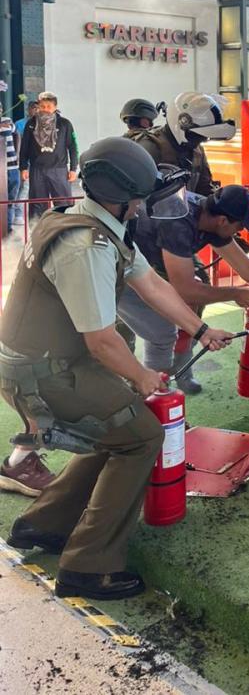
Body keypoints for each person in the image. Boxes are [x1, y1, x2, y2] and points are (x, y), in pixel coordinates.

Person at [0, 137, 232, 598]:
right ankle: (88, 566)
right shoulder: (85, 247)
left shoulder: (91, 222)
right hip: (42, 374)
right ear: (122, 196)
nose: (146, 205)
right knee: (142, 435)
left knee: (116, 427)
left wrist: (199, 329)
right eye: (142, 197)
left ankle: (43, 527)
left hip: (47, 363)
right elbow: (103, 342)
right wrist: (143, 377)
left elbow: (152, 287)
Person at [118, 183, 249, 393]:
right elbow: (185, 288)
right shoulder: (178, 223)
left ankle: (177, 376)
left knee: (187, 314)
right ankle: (154, 400)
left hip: (148, 264)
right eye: (240, 226)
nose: (239, 232)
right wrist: (235, 293)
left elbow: (246, 267)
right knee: (161, 332)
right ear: (223, 221)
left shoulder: (209, 217)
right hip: (120, 266)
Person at [131, 91, 234, 195]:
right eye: (198, 135)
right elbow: (136, 199)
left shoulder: (197, 151)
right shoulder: (150, 147)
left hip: (184, 210)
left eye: (204, 136)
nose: (201, 139)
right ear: (182, 124)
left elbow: (204, 188)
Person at [19, 92, 79, 218]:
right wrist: (23, 167)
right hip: (37, 170)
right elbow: (24, 148)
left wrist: (74, 168)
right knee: (37, 206)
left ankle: (64, 232)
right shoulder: (31, 124)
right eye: (42, 106)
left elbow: (73, 147)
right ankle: (37, 233)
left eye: (49, 106)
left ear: (55, 107)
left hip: (59, 170)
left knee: (64, 204)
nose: (45, 109)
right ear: (39, 107)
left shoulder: (64, 124)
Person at [0, 106, 20, 232]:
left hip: (12, 166)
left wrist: (17, 154)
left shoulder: (7, 120)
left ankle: (8, 228)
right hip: (0, 170)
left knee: (11, 199)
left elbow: (14, 131)